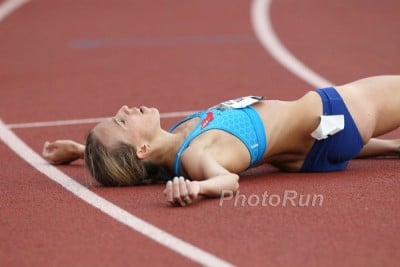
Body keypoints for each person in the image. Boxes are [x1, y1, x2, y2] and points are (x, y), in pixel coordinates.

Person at [42, 75, 400, 206]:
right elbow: (228, 180)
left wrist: (81, 151)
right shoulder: (198, 154)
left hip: (307, 153)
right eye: (122, 121)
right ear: (142, 149)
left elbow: (131, 162)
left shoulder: (172, 149)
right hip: (337, 111)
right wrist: (199, 190)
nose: (124, 108)